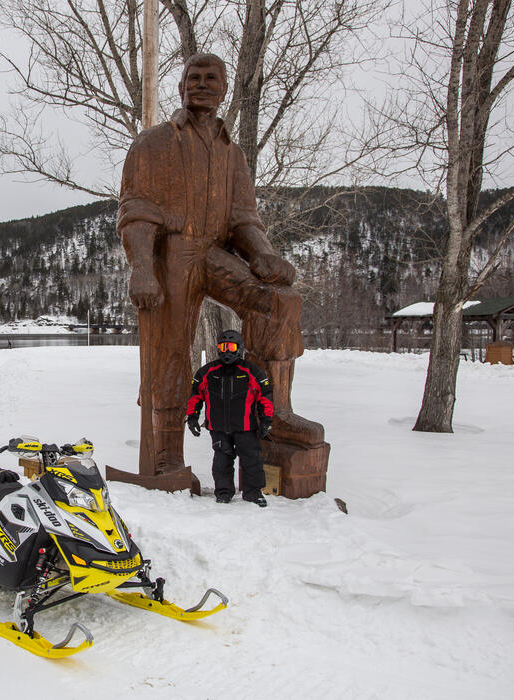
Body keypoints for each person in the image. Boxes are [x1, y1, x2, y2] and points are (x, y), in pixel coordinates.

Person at [118, 52, 315, 477]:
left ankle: (274, 409)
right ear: (181, 85)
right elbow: (135, 211)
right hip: (172, 253)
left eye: (212, 77)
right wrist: (142, 269)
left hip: (214, 252)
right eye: (194, 76)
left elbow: (244, 218)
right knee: (170, 348)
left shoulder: (233, 155)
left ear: (224, 88)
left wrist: (261, 251)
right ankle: (167, 451)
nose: (202, 83)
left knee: (280, 302)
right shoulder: (153, 143)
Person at [186, 330, 273, 506]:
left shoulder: (250, 371)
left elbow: (265, 396)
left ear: (239, 348)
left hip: (245, 427)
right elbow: (195, 396)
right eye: (223, 347)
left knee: (251, 460)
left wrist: (266, 420)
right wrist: (192, 417)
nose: (227, 351)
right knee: (222, 461)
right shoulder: (207, 372)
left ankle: (253, 493)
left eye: (231, 347)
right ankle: (224, 492)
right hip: (218, 427)